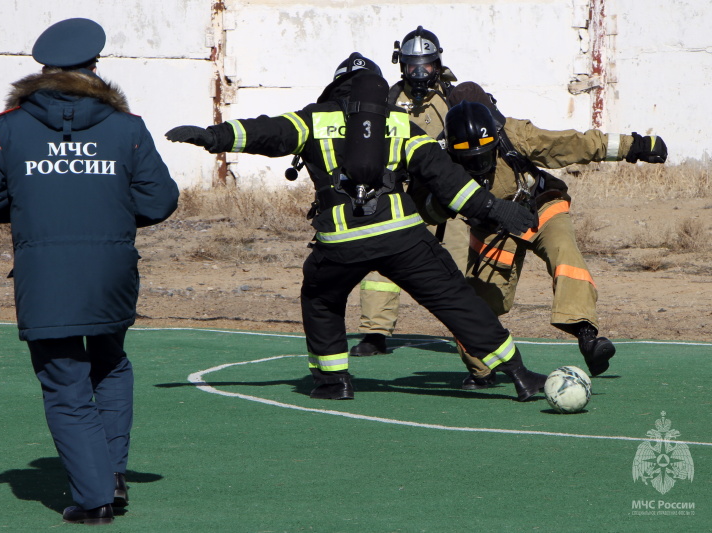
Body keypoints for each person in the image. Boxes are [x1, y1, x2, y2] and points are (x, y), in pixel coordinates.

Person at [166, 52, 547, 403]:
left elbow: (265, 133)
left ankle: (335, 382)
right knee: (454, 300)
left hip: (339, 242)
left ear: (334, 87)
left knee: (321, 300)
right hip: (403, 238)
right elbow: (449, 182)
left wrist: (212, 137)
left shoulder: (312, 120)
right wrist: (497, 210)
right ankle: (519, 374)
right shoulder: (401, 125)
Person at [0, 18, 179, 525]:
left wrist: (32, 208)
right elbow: (160, 199)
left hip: (46, 271)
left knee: (64, 379)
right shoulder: (126, 127)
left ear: (44, 72)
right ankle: (113, 475)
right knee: (111, 364)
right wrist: (111, 212)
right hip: (112, 269)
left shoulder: (7, 127)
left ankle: (96, 494)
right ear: (94, 69)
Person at [425, 83, 667, 389]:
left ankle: (586, 335)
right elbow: (423, 207)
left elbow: (572, 145)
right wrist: (440, 202)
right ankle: (481, 370)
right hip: (493, 228)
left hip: (540, 207)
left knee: (565, 254)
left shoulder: (514, 133)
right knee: (476, 306)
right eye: (468, 158)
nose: (477, 162)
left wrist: (636, 146)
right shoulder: (439, 156)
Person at [351, 26, 469, 357]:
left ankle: (467, 334)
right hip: (402, 194)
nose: (419, 73)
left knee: (458, 263)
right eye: (412, 66)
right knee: (382, 257)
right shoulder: (388, 99)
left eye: (426, 66)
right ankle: (375, 332)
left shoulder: (453, 98)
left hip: (449, 194)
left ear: (437, 63)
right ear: (400, 65)